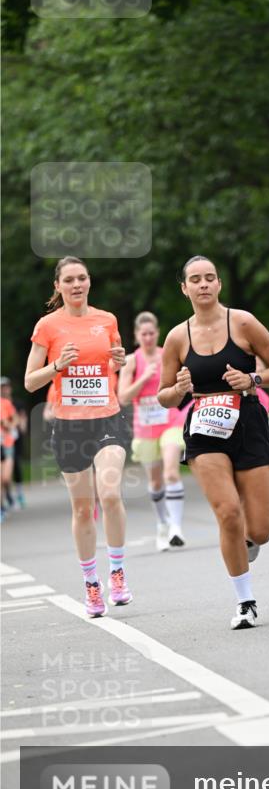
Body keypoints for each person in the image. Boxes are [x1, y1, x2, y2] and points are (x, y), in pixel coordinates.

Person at [158, 256, 269, 630]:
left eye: (209, 278)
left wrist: (253, 381)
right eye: (195, 280)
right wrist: (179, 390)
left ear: (219, 285)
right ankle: (245, 601)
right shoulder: (177, 337)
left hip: (248, 421)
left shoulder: (244, 322)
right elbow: (163, 396)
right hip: (204, 426)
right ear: (184, 288)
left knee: (260, 529)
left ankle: (245, 544)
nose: (203, 285)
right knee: (228, 512)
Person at [24, 255, 132, 617]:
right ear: (58, 286)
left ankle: (116, 572)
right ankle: (91, 583)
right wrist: (57, 366)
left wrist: (120, 360)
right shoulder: (48, 326)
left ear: (89, 282)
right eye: (68, 280)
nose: (76, 285)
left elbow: (115, 363)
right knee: (83, 509)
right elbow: (29, 381)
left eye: (81, 278)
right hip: (69, 426)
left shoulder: (107, 320)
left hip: (106, 418)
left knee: (111, 493)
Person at [118, 311, 189, 551]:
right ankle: (162, 524)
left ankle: (177, 529)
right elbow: (123, 397)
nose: (148, 337)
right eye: (143, 334)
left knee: (171, 472)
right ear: (137, 336)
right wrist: (144, 377)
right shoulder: (131, 361)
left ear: (157, 333)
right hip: (145, 428)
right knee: (156, 482)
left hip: (171, 422)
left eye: (151, 333)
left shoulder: (166, 355)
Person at [0, 377, 27, 510]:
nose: (4, 389)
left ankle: (16, 493)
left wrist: (10, 426)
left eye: (6, 387)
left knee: (10, 470)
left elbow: (19, 418)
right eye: (2, 387)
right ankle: (4, 503)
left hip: (10, 440)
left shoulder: (11, 403)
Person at [0, 386, 18, 520]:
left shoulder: (5, 403)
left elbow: (15, 419)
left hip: (7, 443)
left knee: (6, 478)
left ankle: (9, 494)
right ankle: (1, 507)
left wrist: (9, 425)